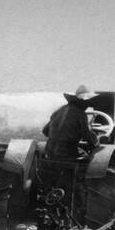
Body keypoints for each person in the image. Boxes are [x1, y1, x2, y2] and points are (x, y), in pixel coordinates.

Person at [41, 85, 100, 220]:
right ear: (82, 102)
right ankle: (81, 189)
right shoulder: (81, 115)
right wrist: (96, 141)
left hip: (50, 154)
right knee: (88, 158)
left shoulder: (58, 111)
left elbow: (45, 131)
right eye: (87, 102)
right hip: (67, 154)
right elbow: (88, 137)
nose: (88, 105)